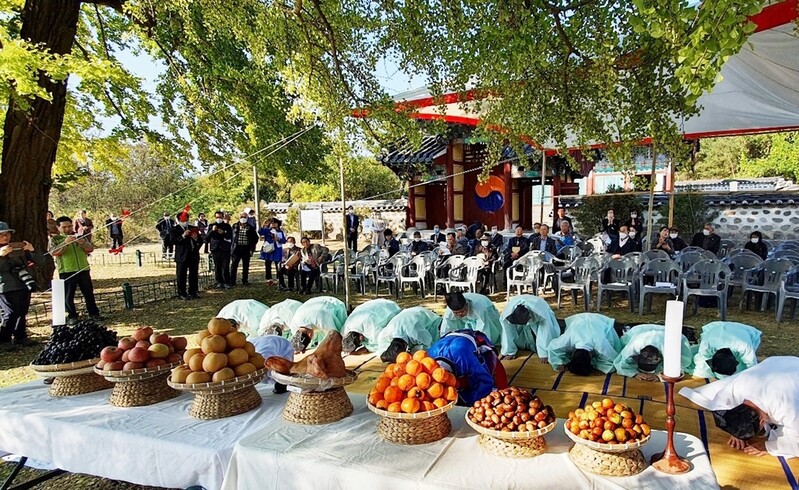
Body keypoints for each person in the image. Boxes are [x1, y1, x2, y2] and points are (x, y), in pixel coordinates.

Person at [679, 356, 799, 459]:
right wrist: (735, 431)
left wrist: (769, 447)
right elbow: (721, 403)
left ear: (763, 421)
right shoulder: (738, 388)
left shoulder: (789, 409)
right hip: (776, 365)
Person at [427, 329, 507, 406]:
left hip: (467, 344)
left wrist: (473, 403)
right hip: (451, 343)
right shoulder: (428, 360)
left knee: (500, 392)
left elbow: (484, 381)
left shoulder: (464, 358)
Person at [0, 222, 44, 349]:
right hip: (5, 286)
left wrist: (32, 250)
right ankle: (4, 339)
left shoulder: (18, 247)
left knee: (22, 311)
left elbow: (41, 261)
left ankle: (20, 336)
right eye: (2, 234)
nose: (5, 237)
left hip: (23, 284)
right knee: (10, 313)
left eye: (7, 234)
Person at [49, 216, 101, 322]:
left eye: (69, 226)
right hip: (67, 271)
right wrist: (65, 243)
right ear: (58, 227)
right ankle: (72, 316)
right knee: (69, 295)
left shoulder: (80, 236)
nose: (67, 229)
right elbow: (54, 252)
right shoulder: (55, 239)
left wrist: (82, 243)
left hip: (83, 269)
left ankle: (93, 313)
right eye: (64, 227)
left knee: (88, 293)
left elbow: (90, 249)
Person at [547, 313, 622, 375]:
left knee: (616, 346)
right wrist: (559, 363)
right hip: (579, 320)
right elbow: (552, 347)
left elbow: (613, 357)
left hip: (599, 321)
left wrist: (602, 368)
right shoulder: (567, 340)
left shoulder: (600, 344)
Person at [613, 324, 694, 381]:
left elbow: (676, 368)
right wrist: (635, 373)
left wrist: (659, 376)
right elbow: (621, 363)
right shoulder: (633, 346)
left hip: (669, 334)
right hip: (639, 330)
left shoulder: (668, 348)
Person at [691, 321, 762, 379]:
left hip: (745, 331)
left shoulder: (744, 346)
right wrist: (702, 378)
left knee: (742, 374)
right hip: (716, 328)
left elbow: (752, 366)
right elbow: (701, 359)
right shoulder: (708, 344)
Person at [499, 295, 560, 361]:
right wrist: (509, 352)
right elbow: (507, 332)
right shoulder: (507, 314)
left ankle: (543, 349)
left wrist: (544, 354)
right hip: (520, 315)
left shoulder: (541, 312)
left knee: (546, 336)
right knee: (521, 340)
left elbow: (546, 332)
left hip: (538, 308)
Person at [377, 306, 442, 362]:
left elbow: (427, 344)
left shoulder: (414, 331)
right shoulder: (385, 334)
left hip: (429, 319)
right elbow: (382, 349)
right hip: (407, 316)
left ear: (404, 346)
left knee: (435, 350)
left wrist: (411, 354)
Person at [169, 211, 202, 300]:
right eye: (183, 220)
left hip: (193, 255)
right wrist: (183, 236)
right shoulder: (174, 229)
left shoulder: (193, 228)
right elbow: (172, 241)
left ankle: (193, 292)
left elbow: (201, 240)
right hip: (182, 256)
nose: (185, 222)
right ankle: (182, 293)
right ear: (178, 220)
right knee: (181, 275)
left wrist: (196, 238)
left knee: (193, 275)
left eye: (186, 220)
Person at [231, 212, 258, 286]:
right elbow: (231, 237)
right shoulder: (235, 226)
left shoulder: (250, 227)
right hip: (236, 248)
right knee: (234, 265)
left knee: (246, 265)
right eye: (241, 216)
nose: (243, 218)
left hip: (246, 248)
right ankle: (232, 281)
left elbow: (256, 238)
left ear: (247, 218)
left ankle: (245, 280)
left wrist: (252, 247)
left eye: (244, 217)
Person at [207, 211, 232, 289]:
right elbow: (207, 238)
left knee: (225, 266)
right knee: (217, 266)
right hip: (215, 249)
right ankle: (219, 281)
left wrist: (223, 233)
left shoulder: (227, 226)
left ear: (223, 217)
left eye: (220, 217)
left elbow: (230, 236)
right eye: (217, 217)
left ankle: (227, 281)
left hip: (225, 249)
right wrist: (212, 231)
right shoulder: (211, 226)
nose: (219, 219)